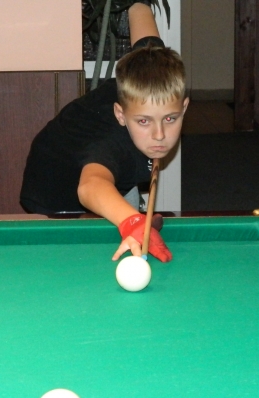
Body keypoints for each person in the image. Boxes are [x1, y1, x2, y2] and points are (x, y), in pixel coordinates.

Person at [19, 2, 188, 263]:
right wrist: (133, 221)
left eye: (170, 118)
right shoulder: (111, 145)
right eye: (144, 121)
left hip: (108, 168)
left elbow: (142, 20)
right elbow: (90, 187)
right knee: (75, 261)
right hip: (56, 188)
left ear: (183, 108)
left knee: (127, 212)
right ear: (121, 114)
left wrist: (137, 2)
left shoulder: (150, 67)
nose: (159, 134)